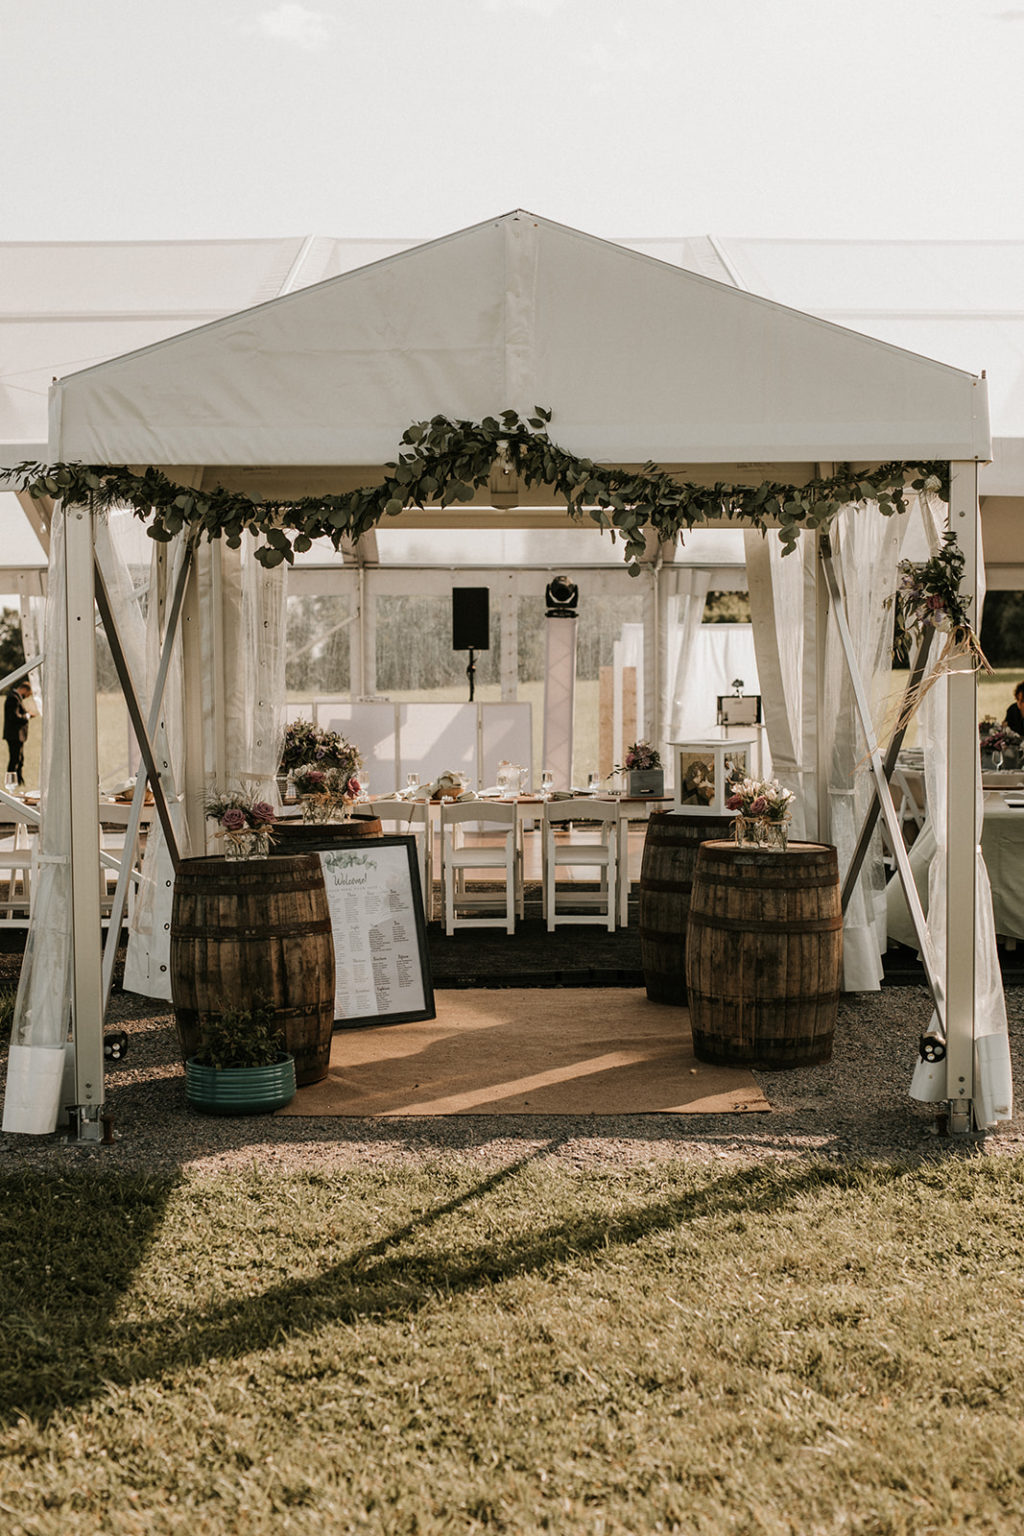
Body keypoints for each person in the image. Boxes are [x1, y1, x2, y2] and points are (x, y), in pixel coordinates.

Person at [3, 679, 33, 787]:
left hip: (17, 735)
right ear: (24, 689)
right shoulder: (13, 698)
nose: (27, 696)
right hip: (14, 735)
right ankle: (11, 783)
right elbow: (14, 716)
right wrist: (27, 716)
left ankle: (18, 781)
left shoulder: (15, 697)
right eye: (28, 694)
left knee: (19, 759)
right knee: (14, 760)